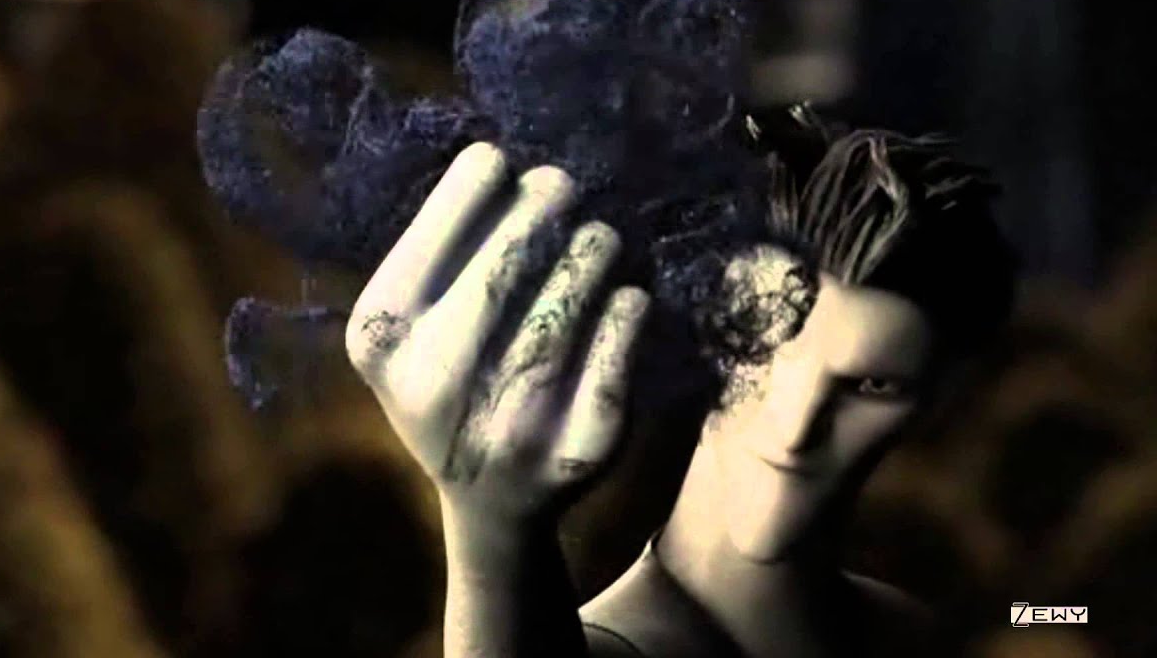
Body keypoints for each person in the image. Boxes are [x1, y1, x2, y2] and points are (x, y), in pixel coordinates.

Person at [343, 105, 1016, 657]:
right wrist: (491, 530)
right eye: (762, 345)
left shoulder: (912, 630)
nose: (796, 425)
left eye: (870, 386)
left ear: (935, 398)